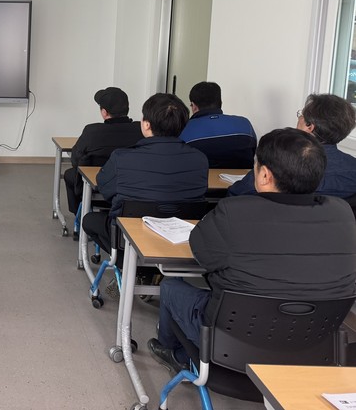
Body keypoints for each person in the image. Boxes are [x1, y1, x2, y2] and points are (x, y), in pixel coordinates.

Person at [149, 128, 356, 374]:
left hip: (230, 343)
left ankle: (175, 355)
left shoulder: (233, 212)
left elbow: (202, 255)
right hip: (314, 343)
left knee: (171, 287)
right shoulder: (343, 214)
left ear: (265, 175)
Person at [81, 93, 209, 262]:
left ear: (147, 125)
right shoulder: (200, 159)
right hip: (182, 239)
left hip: (128, 237)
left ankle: (124, 264)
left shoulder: (122, 157)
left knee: (89, 220)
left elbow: (104, 189)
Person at [229, 93, 356, 197]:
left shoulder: (276, 163)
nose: (299, 118)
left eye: (301, 115)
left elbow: (235, 195)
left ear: (309, 127)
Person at [63, 87, 143, 216]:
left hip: (96, 188)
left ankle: (81, 217)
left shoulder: (92, 131)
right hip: (132, 189)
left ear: (104, 112)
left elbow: (75, 161)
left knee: (69, 174)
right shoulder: (141, 130)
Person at [179, 81, 256, 168]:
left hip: (197, 176)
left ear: (194, 106)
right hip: (242, 176)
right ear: (220, 103)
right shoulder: (245, 125)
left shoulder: (183, 130)